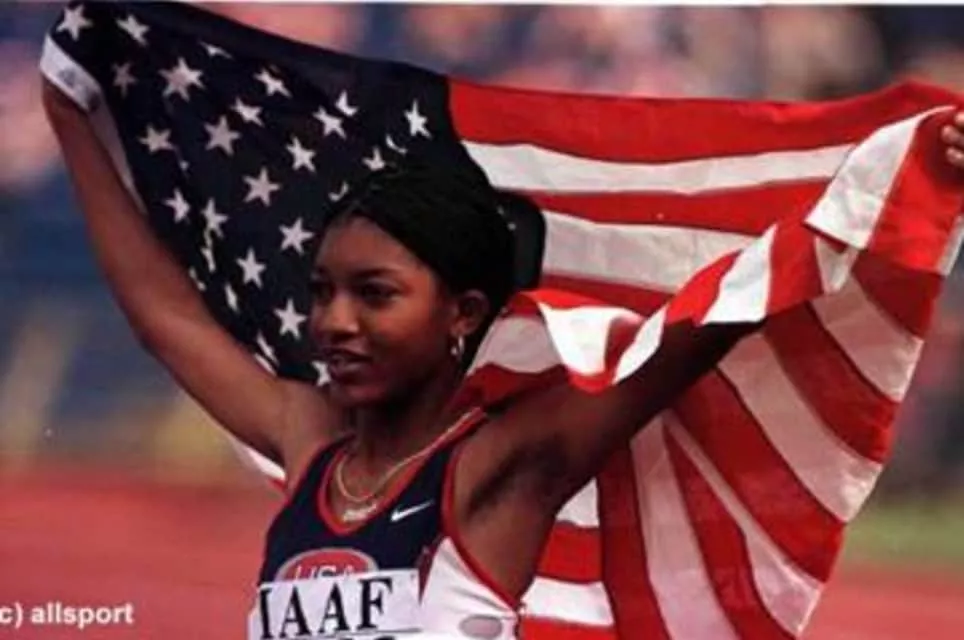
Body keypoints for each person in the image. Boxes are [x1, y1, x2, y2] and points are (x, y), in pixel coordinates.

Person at [42, 76, 964, 639]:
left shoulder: (496, 472)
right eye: (321, 291)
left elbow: (711, 323)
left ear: (464, 314)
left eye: (375, 294)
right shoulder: (309, 439)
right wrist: (72, 109)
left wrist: (910, 178)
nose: (334, 322)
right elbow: (166, 319)